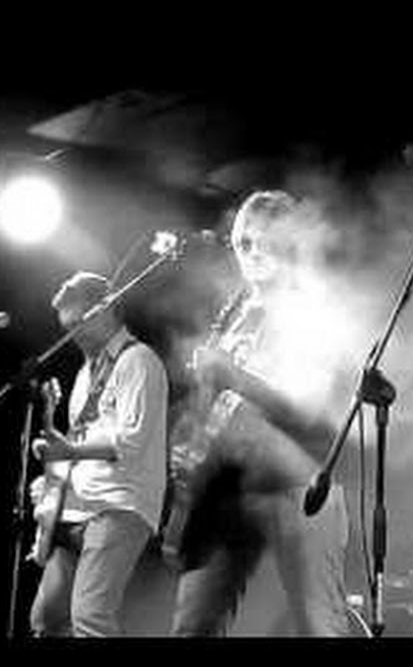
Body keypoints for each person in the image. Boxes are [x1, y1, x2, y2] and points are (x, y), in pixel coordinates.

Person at [168, 189, 351, 636]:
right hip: (224, 489)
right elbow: (218, 406)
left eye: (262, 238)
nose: (250, 250)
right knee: (191, 627)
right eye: (241, 241)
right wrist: (188, 437)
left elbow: (310, 410)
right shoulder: (234, 312)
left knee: (320, 626)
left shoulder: (315, 309)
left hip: (298, 485)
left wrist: (234, 376)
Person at [28, 271, 169, 637]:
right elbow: (82, 441)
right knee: (46, 620)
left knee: (90, 617)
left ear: (106, 310)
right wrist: (55, 468)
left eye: (78, 324)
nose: (74, 335)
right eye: (67, 329)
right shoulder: (83, 374)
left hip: (119, 505)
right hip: (77, 504)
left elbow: (132, 440)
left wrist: (70, 449)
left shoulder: (139, 360)